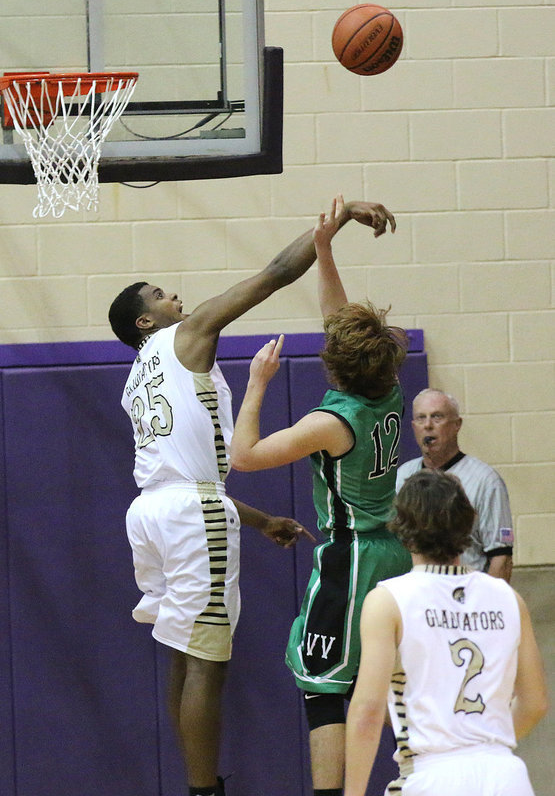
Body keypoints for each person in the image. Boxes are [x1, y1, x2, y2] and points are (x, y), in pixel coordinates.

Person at [107, 195, 389, 796]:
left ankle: (197, 785)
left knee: (182, 652)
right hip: (189, 512)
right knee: (209, 659)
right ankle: (204, 790)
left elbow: (181, 481)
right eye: (160, 295)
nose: (174, 296)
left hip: (151, 513)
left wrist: (260, 521)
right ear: (145, 322)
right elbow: (272, 275)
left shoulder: (136, 379)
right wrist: (329, 227)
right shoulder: (188, 335)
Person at [230, 195, 412, 796]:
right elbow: (342, 328)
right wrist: (325, 248)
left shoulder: (330, 423)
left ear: (333, 367)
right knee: (385, 678)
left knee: (322, 681)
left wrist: (255, 384)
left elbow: (245, 457)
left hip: (351, 557)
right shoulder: (388, 387)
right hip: (392, 551)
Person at [345, 468, 548, 796]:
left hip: (432, 775)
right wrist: (479, 744)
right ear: (467, 522)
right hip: (505, 774)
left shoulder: (388, 600)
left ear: (402, 526)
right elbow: (535, 703)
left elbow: (368, 711)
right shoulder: (508, 598)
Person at [396, 388, 514, 582]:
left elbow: (501, 557)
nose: (428, 425)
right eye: (420, 418)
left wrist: (487, 605)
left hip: (466, 597)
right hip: (417, 597)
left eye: (437, 417)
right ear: (413, 426)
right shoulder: (403, 476)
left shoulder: (485, 481)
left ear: (456, 425)